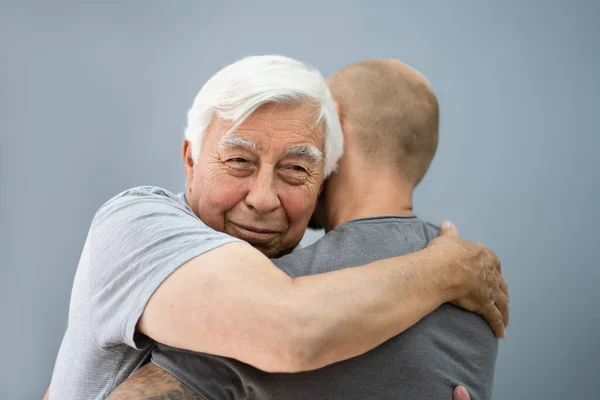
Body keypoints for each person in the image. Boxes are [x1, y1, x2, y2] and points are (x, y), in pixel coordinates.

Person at [46, 56, 507, 400]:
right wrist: (446, 268)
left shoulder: (299, 273)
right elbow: (291, 330)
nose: (264, 198)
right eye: (239, 161)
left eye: (294, 171)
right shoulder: (137, 224)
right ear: (190, 159)